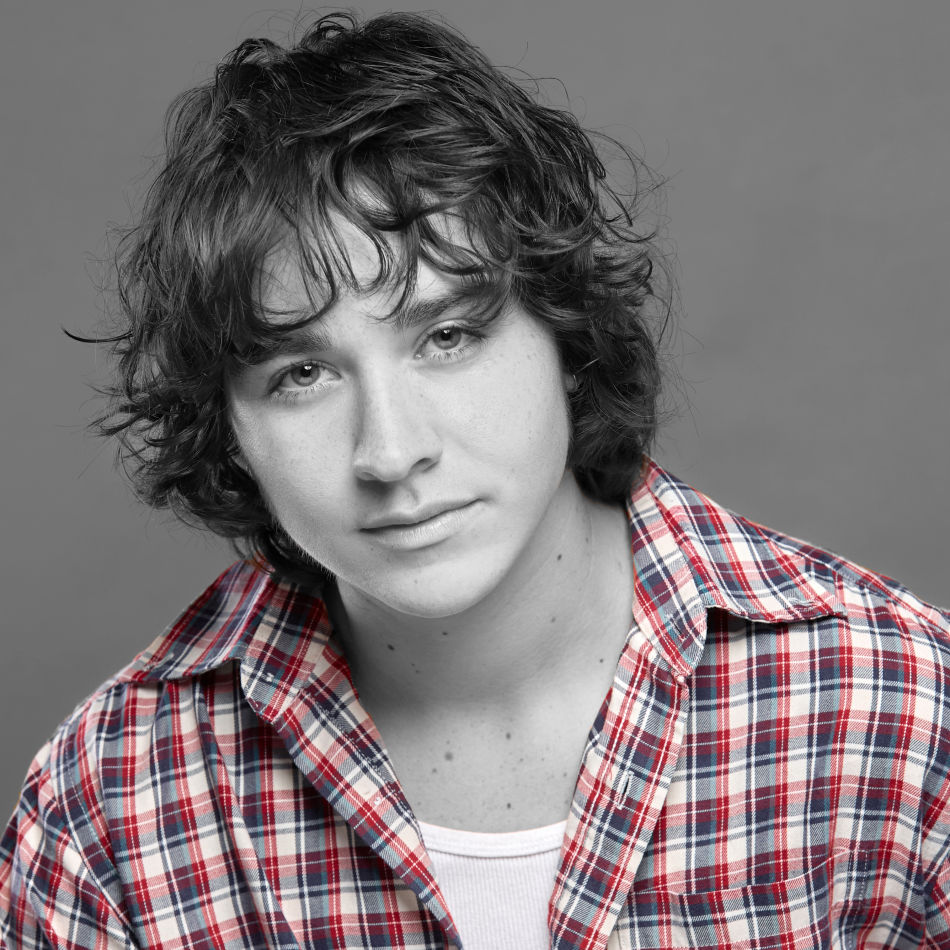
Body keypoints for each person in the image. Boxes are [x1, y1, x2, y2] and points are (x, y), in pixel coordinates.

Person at [1, 10, 948, 949]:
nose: (389, 451)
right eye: (302, 374)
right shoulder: (111, 809)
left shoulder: (900, 712)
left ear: (566, 331)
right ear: (232, 430)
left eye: (447, 337)